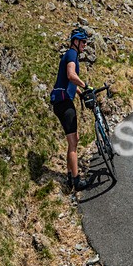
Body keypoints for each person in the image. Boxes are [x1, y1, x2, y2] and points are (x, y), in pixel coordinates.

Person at [50, 27, 93, 191]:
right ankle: (76, 181)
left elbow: (69, 83)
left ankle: (69, 176)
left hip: (61, 102)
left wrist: (81, 93)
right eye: (83, 42)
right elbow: (70, 75)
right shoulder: (72, 54)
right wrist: (86, 85)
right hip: (64, 103)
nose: (85, 45)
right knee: (74, 143)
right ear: (76, 41)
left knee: (73, 140)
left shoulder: (70, 54)